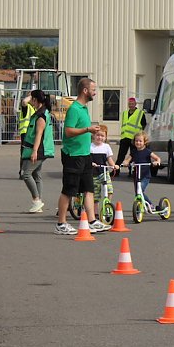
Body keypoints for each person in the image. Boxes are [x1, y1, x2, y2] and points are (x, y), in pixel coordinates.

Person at [55, 78, 112, 235]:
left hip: (85, 155)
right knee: (69, 190)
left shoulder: (84, 108)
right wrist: (87, 129)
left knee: (89, 188)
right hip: (73, 155)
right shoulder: (74, 109)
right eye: (93, 90)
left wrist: (91, 131)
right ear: (85, 91)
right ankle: (61, 223)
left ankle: (92, 221)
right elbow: (68, 131)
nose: (95, 93)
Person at [20, 89, 54, 213]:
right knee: (37, 175)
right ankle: (38, 203)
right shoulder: (42, 112)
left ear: (35, 100)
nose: (30, 102)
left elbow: (39, 134)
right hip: (40, 148)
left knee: (26, 174)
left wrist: (34, 151)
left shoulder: (41, 115)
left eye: (32, 99)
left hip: (39, 149)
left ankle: (36, 200)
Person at [127, 132, 162, 213]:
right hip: (136, 176)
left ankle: (150, 205)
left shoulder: (147, 151)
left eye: (140, 141)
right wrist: (125, 163)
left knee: (140, 191)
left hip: (145, 176)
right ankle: (141, 206)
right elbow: (127, 160)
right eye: (136, 141)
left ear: (144, 142)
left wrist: (157, 162)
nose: (138, 143)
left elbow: (157, 158)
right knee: (137, 193)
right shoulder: (133, 152)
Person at [115, 97, 147, 178]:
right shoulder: (124, 113)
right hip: (125, 137)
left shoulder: (140, 113)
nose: (131, 105)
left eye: (132, 104)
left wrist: (140, 136)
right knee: (121, 155)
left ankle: (133, 170)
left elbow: (144, 125)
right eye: (129, 104)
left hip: (134, 138)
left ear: (135, 104)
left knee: (134, 155)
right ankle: (116, 170)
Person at [90, 129, 118, 219]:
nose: (100, 137)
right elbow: (87, 158)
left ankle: (107, 204)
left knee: (110, 189)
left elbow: (109, 159)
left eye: (102, 136)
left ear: (105, 137)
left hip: (104, 172)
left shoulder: (106, 147)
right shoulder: (90, 146)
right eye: (98, 135)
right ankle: (95, 212)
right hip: (94, 173)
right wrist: (91, 163)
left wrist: (113, 165)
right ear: (94, 136)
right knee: (96, 194)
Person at [17, 91, 36, 177]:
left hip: (31, 133)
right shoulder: (27, 107)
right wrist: (30, 96)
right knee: (25, 153)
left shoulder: (34, 108)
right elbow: (24, 102)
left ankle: (29, 171)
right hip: (25, 133)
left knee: (31, 152)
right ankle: (23, 171)